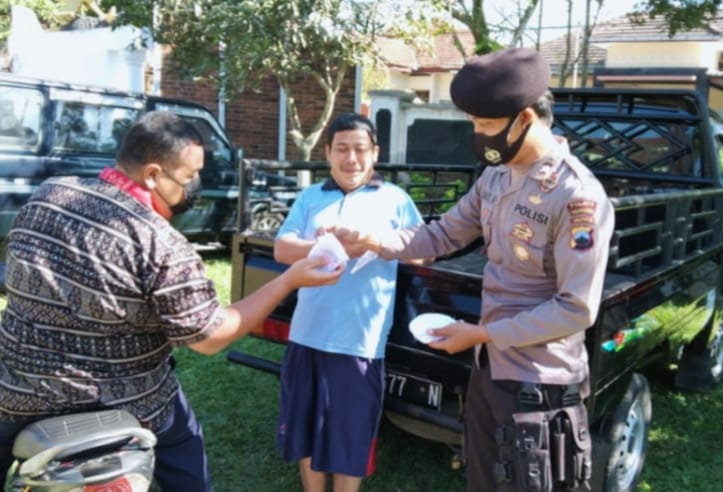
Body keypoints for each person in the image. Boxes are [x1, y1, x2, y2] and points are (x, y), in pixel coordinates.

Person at [0, 110, 343, 492]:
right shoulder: (160, 243)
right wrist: (288, 280)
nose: (196, 185)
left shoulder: (50, 193)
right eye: (189, 177)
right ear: (151, 174)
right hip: (128, 398)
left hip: (18, 388)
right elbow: (210, 336)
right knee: (187, 453)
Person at [333, 48, 615, 492]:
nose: (477, 134)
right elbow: (444, 234)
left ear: (524, 118)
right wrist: (376, 241)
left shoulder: (577, 197)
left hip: (539, 384)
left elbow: (576, 309)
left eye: (485, 125)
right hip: (490, 371)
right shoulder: (497, 177)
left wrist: (482, 334)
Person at [273, 112, 423, 492]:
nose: (351, 159)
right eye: (342, 149)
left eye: (360, 149)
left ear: (375, 153)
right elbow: (281, 248)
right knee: (304, 427)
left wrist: (373, 240)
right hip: (306, 334)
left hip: (360, 341)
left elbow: (423, 252)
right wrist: (330, 247)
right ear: (328, 152)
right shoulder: (311, 197)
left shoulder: (395, 199)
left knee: (350, 434)